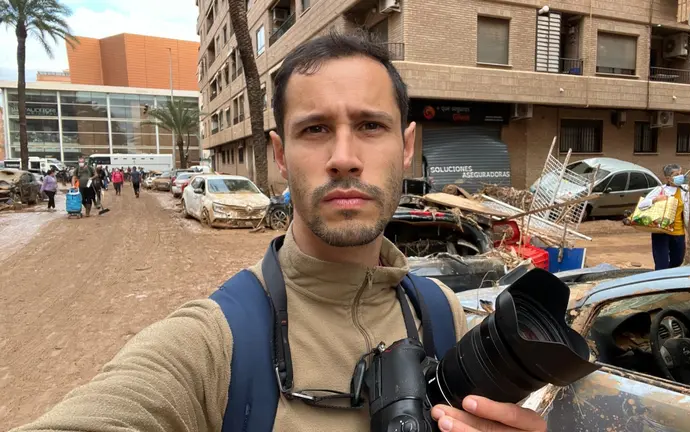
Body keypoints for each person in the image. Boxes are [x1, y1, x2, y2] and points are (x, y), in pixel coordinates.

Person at [12, 34, 546, 432]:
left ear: (406, 147)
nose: (343, 158)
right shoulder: (215, 343)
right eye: (315, 130)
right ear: (280, 156)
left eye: (370, 126)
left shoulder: (440, 313)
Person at [638, 163, 690, 270]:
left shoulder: (685, 190)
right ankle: (659, 280)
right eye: (676, 174)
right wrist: (655, 199)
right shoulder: (660, 190)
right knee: (661, 263)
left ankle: (667, 275)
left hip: (678, 232)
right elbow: (641, 205)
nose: (680, 176)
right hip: (661, 231)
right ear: (668, 178)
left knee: (678, 260)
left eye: (681, 173)